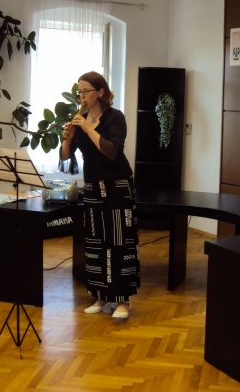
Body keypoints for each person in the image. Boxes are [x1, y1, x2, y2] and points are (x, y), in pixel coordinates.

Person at [61, 71, 140, 320]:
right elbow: (65, 157)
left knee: (119, 242)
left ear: (101, 92)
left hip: (117, 186)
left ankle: (123, 300)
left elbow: (111, 151)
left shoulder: (115, 118)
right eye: (79, 92)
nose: (82, 96)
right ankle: (101, 296)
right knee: (96, 242)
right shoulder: (80, 121)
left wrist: (87, 128)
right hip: (93, 186)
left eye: (86, 91)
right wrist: (67, 139)